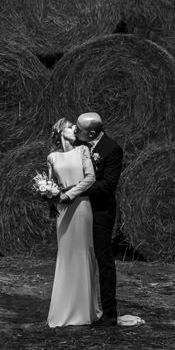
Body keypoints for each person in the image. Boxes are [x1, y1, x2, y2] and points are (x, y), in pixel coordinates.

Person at [46, 117, 102, 328]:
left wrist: (69, 194)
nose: (74, 129)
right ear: (60, 130)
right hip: (62, 212)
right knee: (66, 257)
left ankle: (84, 310)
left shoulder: (83, 151)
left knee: (83, 254)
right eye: (70, 127)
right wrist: (47, 196)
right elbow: (51, 185)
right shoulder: (52, 157)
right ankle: (63, 309)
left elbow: (90, 178)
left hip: (80, 207)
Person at [75, 112, 123, 327]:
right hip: (79, 210)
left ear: (92, 132)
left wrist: (77, 189)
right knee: (79, 258)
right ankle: (81, 307)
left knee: (103, 260)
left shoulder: (111, 149)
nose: (75, 131)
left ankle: (110, 313)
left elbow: (108, 186)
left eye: (79, 128)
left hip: (100, 211)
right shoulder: (78, 144)